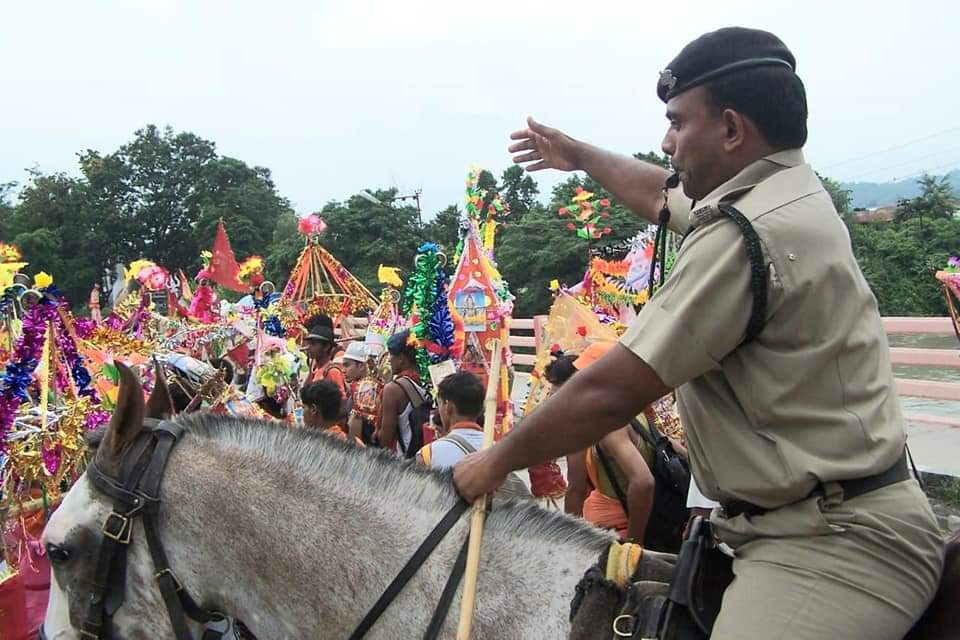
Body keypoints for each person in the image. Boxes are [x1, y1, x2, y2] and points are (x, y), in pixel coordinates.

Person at [454, 27, 944, 639]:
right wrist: (578, 155)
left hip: (829, 547)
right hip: (808, 521)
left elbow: (615, 388)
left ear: (733, 129)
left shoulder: (746, 233)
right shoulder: (778, 192)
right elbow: (663, 197)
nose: (667, 142)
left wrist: (494, 462)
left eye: (678, 122)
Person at [546, 344, 655, 541]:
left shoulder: (607, 426)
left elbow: (643, 481)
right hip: (636, 524)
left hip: (616, 534)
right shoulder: (635, 409)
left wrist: (633, 541)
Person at [376, 330, 430, 457]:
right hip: (425, 456)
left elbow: (385, 439)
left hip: (403, 461)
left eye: (391, 355)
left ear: (401, 358)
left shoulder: (393, 389)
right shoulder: (427, 380)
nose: (389, 360)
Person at [300, 380, 362, 445]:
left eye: (304, 407)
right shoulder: (356, 443)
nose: (303, 414)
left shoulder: (308, 446)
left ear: (313, 410)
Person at [303, 323, 348, 401]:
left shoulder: (332, 371)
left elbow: (341, 401)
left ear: (326, 347)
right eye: (309, 344)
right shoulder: (315, 369)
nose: (308, 348)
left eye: (313, 344)